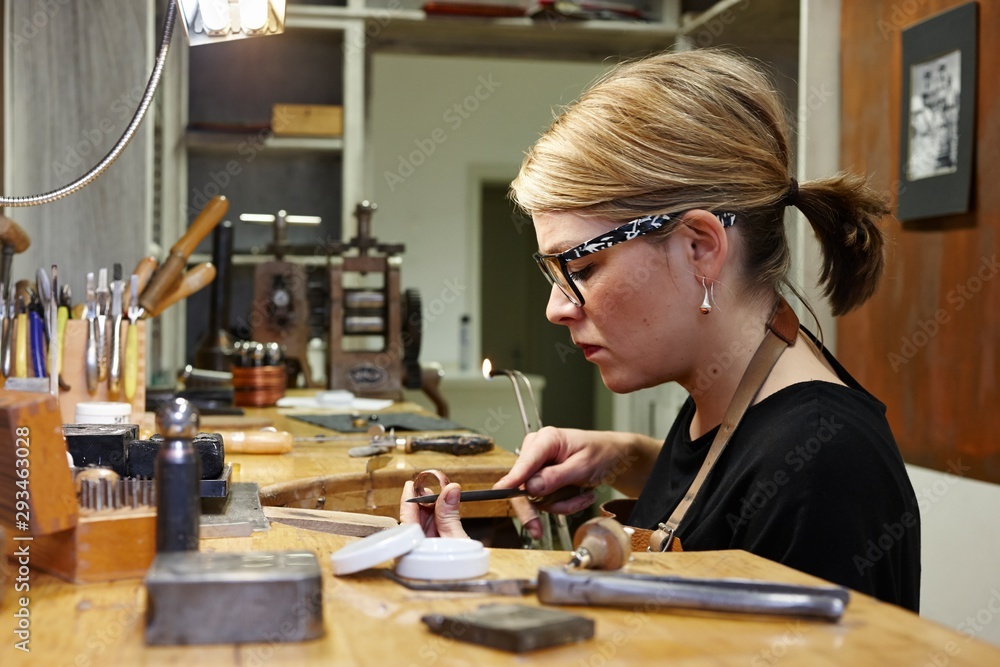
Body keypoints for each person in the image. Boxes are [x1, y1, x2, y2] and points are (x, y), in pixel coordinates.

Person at [400, 48, 921, 612]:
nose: (556, 309)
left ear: (700, 247)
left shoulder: (822, 465)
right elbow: (728, 496)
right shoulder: (725, 399)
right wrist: (624, 457)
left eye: (582, 268)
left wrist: (478, 589)